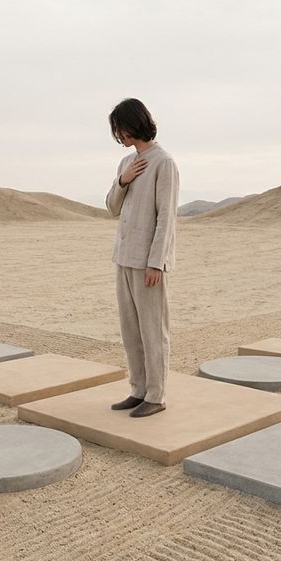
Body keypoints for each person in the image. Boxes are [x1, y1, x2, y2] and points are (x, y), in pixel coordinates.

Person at [105, 98, 179, 418]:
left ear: (133, 124)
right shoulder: (126, 164)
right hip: (123, 257)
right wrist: (124, 180)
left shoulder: (164, 163)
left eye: (120, 128)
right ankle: (138, 389)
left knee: (153, 330)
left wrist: (156, 262)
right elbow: (111, 206)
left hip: (147, 262)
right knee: (130, 329)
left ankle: (156, 394)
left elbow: (166, 218)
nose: (118, 135)